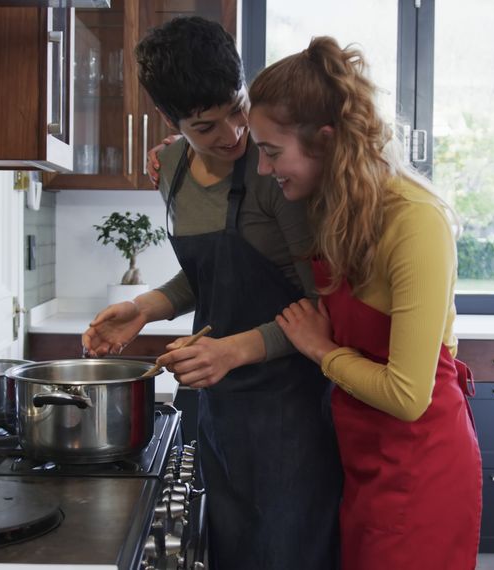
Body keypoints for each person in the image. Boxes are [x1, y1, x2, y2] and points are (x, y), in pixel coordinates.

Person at [80, 17, 342, 570]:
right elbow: (209, 278)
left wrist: (233, 350)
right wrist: (144, 308)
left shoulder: (274, 170)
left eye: (236, 108)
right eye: (204, 126)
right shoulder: (169, 169)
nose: (232, 134)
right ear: (170, 122)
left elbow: (320, 305)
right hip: (220, 405)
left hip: (290, 406)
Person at [248, 36, 483, 569]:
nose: (263, 170)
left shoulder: (414, 221)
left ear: (325, 141)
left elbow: (407, 396)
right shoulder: (335, 206)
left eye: (270, 152)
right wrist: (177, 151)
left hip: (422, 472)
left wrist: (321, 351)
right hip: (364, 464)